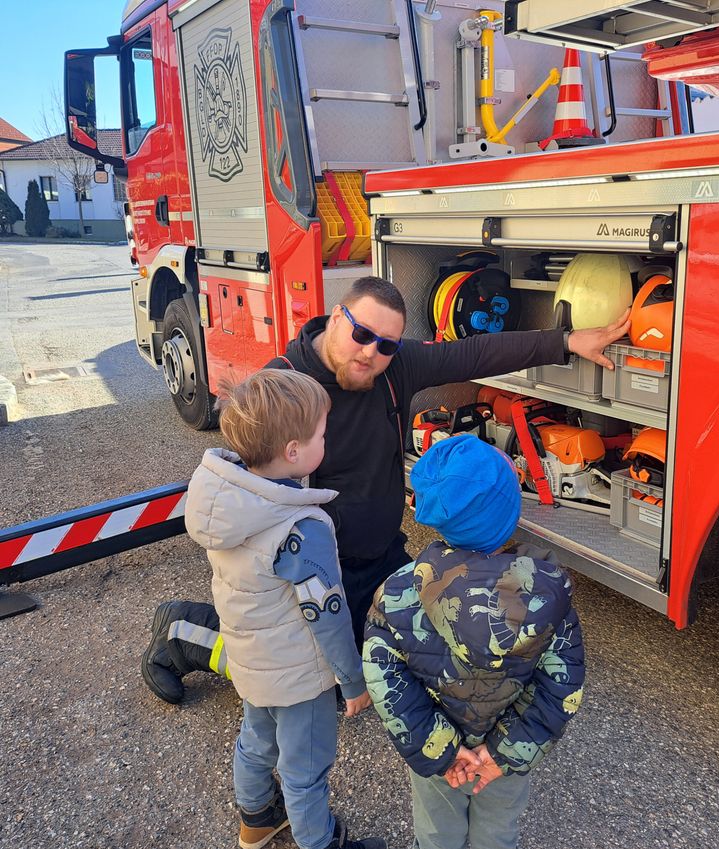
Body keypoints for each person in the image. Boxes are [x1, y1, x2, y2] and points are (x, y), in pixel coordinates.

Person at [142, 275, 625, 704]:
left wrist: (565, 341)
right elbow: (249, 497)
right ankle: (183, 631)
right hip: (318, 570)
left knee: (422, 648)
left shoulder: (395, 368)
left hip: (385, 554)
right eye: (362, 334)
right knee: (312, 678)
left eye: (387, 344)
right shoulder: (285, 387)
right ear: (337, 318)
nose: (372, 352)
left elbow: (474, 352)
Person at [182, 369, 385, 849]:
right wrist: (351, 681)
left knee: (256, 741)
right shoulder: (299, 526)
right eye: (321, 433)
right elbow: (327, 614)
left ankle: (256, 819)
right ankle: (320, 844)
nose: (325, 440)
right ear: (294, 452)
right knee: (305, 768)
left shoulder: (229, 503)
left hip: (252, 661)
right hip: (299, 676)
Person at [362, 434, 585, 849]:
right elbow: (562, 687)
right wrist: (502, 754)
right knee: (498, 835)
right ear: (509, 514)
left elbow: (385, 682)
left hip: (440, 754)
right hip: (502, 755)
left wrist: (443, 751)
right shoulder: (549, 600)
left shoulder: (396, 594)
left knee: (435, 834)